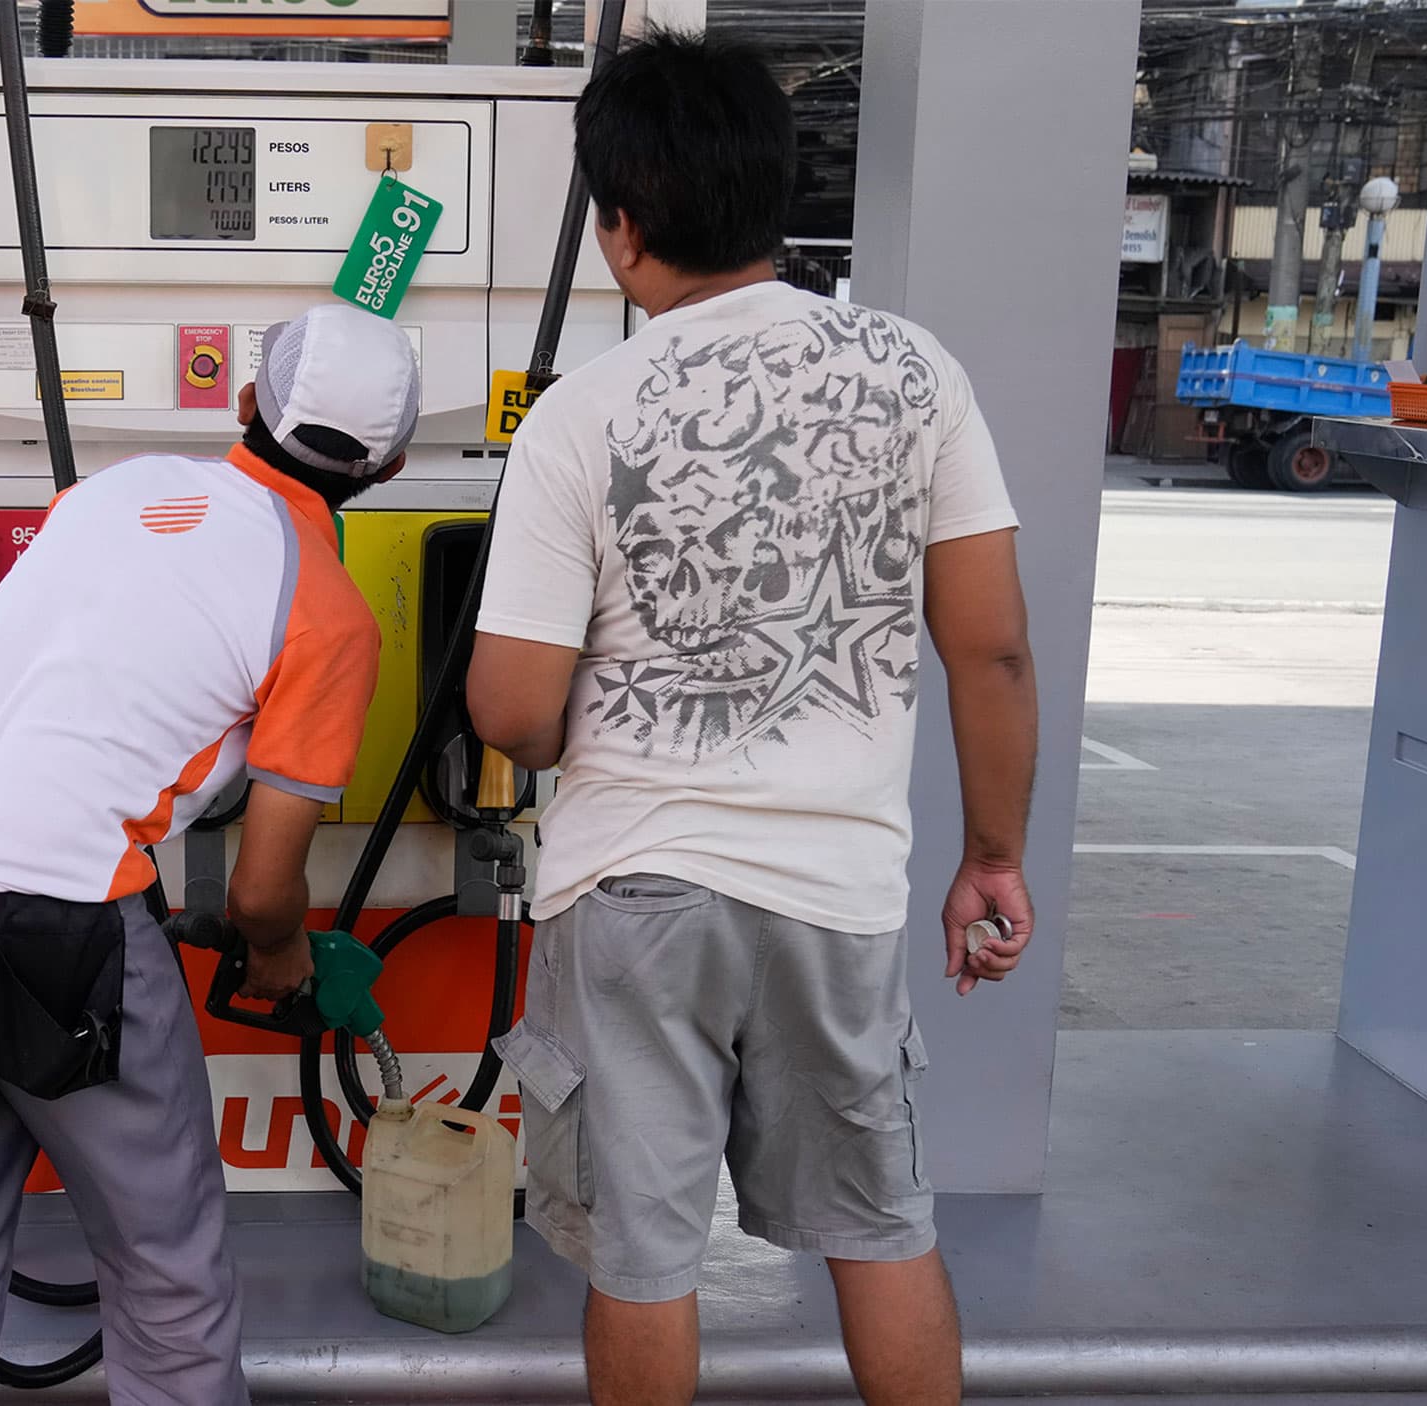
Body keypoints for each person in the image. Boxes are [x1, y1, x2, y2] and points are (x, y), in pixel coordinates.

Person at [466, 30, 1037, 1406]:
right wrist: (992, 855)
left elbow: (515, 708)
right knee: (884, 1229)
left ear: (621, 226)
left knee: (644, 1259)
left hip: (635, 891)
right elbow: (994, 650)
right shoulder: (919, 375)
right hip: (838, 891)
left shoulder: (580, 416)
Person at [0, 303, 412, 1405]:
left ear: (244, 404)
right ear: (388, 465)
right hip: (66, 936)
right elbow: (262, 890)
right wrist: (285, 961)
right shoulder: (330, 614)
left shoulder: (103, 491)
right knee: (167, 1272)